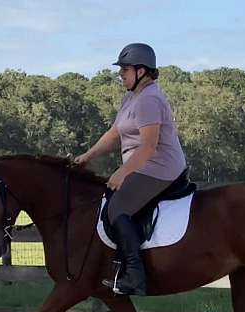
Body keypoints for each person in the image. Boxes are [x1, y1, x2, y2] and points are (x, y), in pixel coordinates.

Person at [74, 42, 187, 296]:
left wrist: (122, 172)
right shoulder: (131, 97)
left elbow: (148, 146)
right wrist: (88, 156)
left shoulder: (149, 99)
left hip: (161, 167)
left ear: (142, 71)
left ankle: (135, 275)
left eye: (125, 69)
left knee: (117, 208)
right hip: (142, 165)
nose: (120, 74)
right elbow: (115, 133)